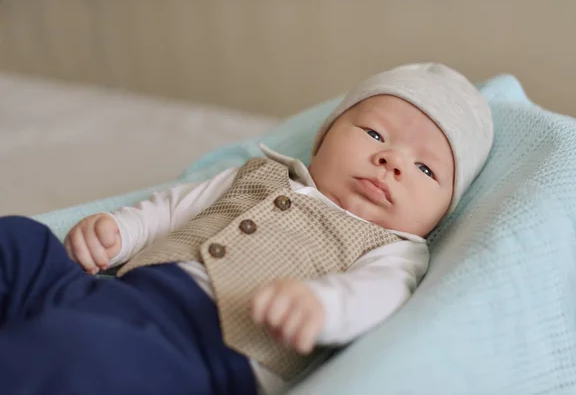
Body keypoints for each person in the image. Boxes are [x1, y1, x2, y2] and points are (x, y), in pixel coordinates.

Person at [0, 62, 493, 395]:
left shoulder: (396, 251)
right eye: (374, 133)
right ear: (323, 138)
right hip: (112, 294)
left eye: (426, 170)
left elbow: (377, 295)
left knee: (87, 354)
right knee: (21, 241)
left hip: (199, 354)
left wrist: (323, 306)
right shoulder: (257, 174)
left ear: (441, 214)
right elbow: (173, 209)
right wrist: (117, 231)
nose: (392, 161)